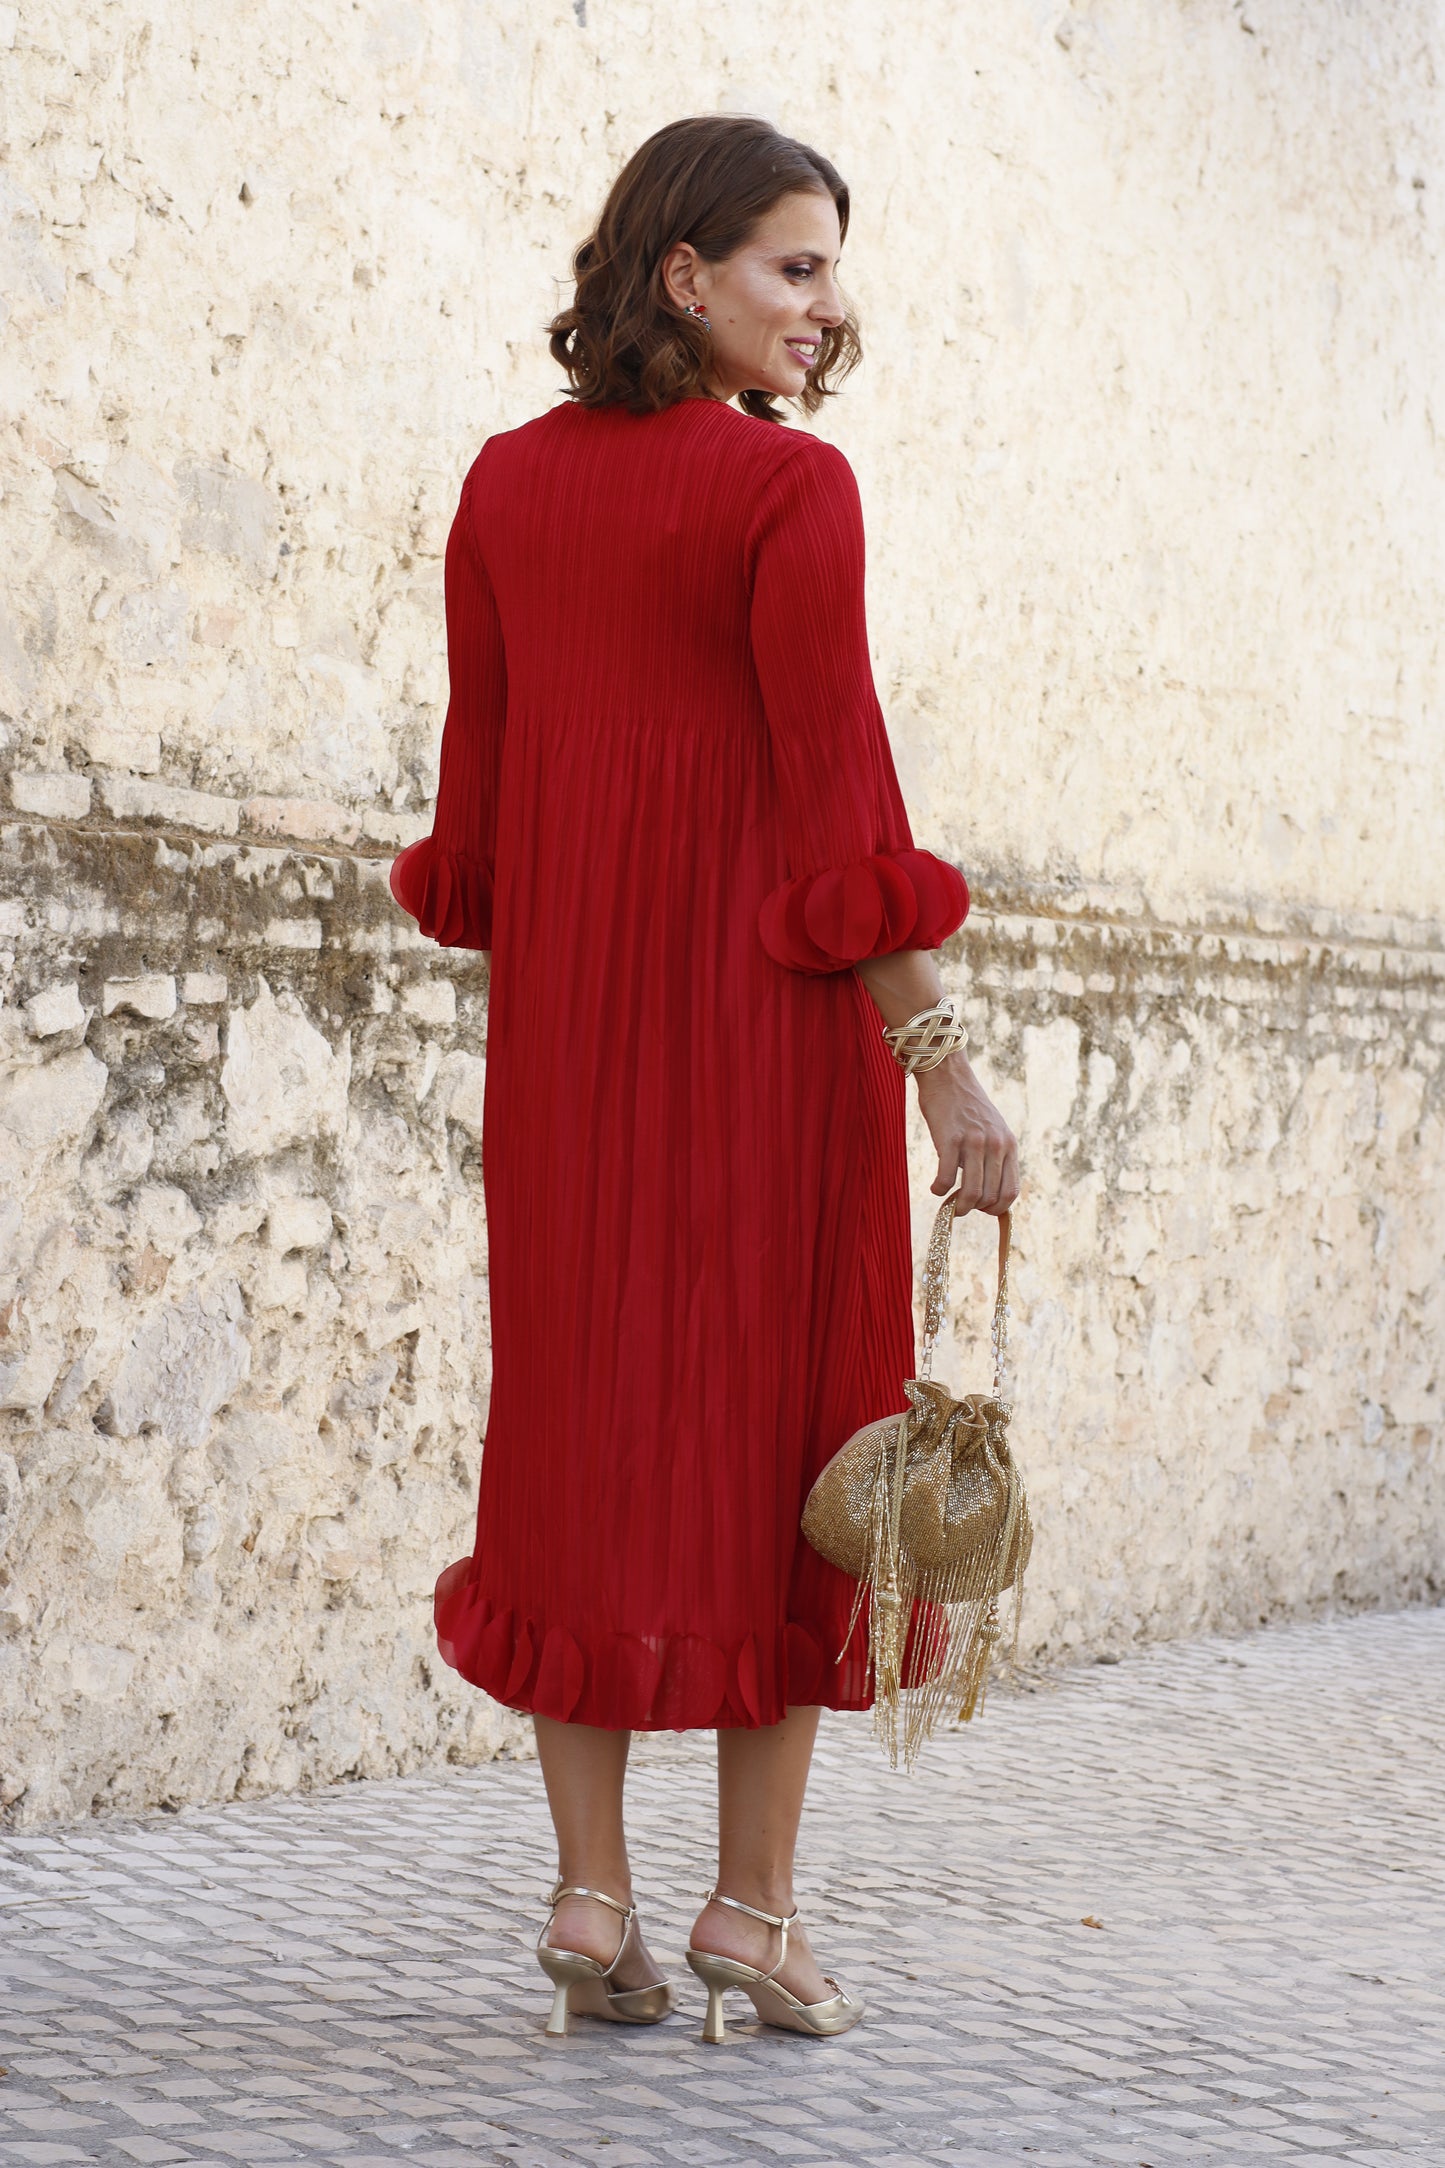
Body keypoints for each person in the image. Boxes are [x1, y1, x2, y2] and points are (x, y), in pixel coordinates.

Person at [389, 113, 1020, 2043]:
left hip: (570, 1059)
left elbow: (475, 837)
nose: (828, 312)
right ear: (687, 276)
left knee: (578, 1437)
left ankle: (592, 1900)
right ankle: (751, 1914)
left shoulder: (500, 489)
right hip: (763, 1052)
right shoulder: (783, 499)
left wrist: (598, 968)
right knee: (783, 1449)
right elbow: (840, 816)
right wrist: (947, 1081)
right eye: (795, 268)